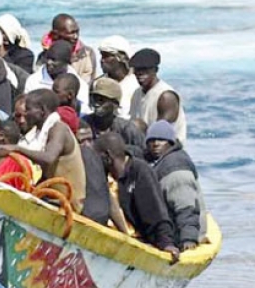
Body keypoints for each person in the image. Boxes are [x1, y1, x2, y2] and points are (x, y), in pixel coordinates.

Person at [93, 132, 180, 262]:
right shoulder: (102, 175)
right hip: (109, 238)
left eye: (97, 157)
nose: (94, 161)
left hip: (136, 241)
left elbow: (156, 212)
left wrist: (166, 243)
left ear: (107, 157)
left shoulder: (139, 172)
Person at [0, 89, 86, 212]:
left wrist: (16, 148)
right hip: (51, 198)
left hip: (67, 204)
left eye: (28, 110)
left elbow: (48, 158)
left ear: (42, 111)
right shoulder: (42, 131)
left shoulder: (59, 129)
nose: (25, 114)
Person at [145, 120, 207, 251]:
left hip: (183, 237)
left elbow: (186, 208)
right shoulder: (159, 162)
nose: (156, 144)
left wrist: (188, 239)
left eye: (161, 140)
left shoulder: (175, 170)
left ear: (170, 143)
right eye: (152, 140)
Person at [128, 48, 187, 143]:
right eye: (137, 69)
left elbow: (160, 133)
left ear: (155, 70)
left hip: (167, 151)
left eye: (145, 69)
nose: (140, 73)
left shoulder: (166, 97)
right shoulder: (137, 93)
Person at [83, 77, 145, 155]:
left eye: (101, 100)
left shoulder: (127, 129)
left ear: (115, 104)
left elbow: (144, 152)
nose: (96, 104)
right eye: (94, 99)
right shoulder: (84, 124)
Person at [25, 40, 90, 114]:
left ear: (66, 62)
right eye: (48, 58)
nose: (49, 62)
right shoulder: (33, 81)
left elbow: (84, 112)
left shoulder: (81, 85)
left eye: (54, 60)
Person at [38, 14, 97, 83]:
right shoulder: (45, 56)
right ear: (55, 35)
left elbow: (87, 83)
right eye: (71, 33)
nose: (76, 37)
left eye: (77, 32)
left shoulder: (87, 54)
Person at [97, 35, 138, 119]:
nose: (102, 60)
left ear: (121, 58)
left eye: (106, 56)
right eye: (102, 56)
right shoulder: (98, 83)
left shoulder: (136, 85)